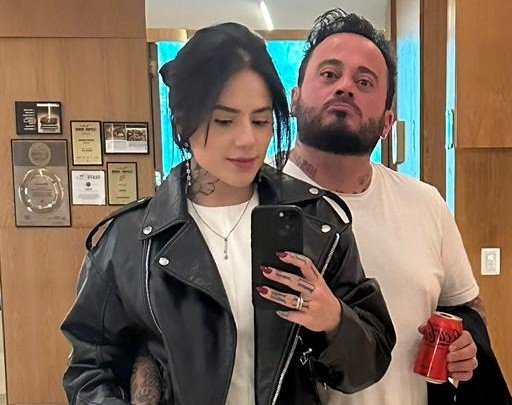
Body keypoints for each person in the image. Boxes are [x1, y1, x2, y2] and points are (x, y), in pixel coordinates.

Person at [61, 22, 395, 405]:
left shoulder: (317, 223)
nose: (247, 139)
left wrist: (334, 320)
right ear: (183, 121)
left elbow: (367, 365)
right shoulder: (130, 240)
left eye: (261, 120)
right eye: (224, 120)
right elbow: (90, 367)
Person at [283, 9, 512, 405]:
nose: (345, 87)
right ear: (295, 98)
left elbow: (465, 307)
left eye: (365, 81)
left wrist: (467, 344)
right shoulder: (257, 202)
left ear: (388, 121)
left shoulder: (425, 204)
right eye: (329, 74)